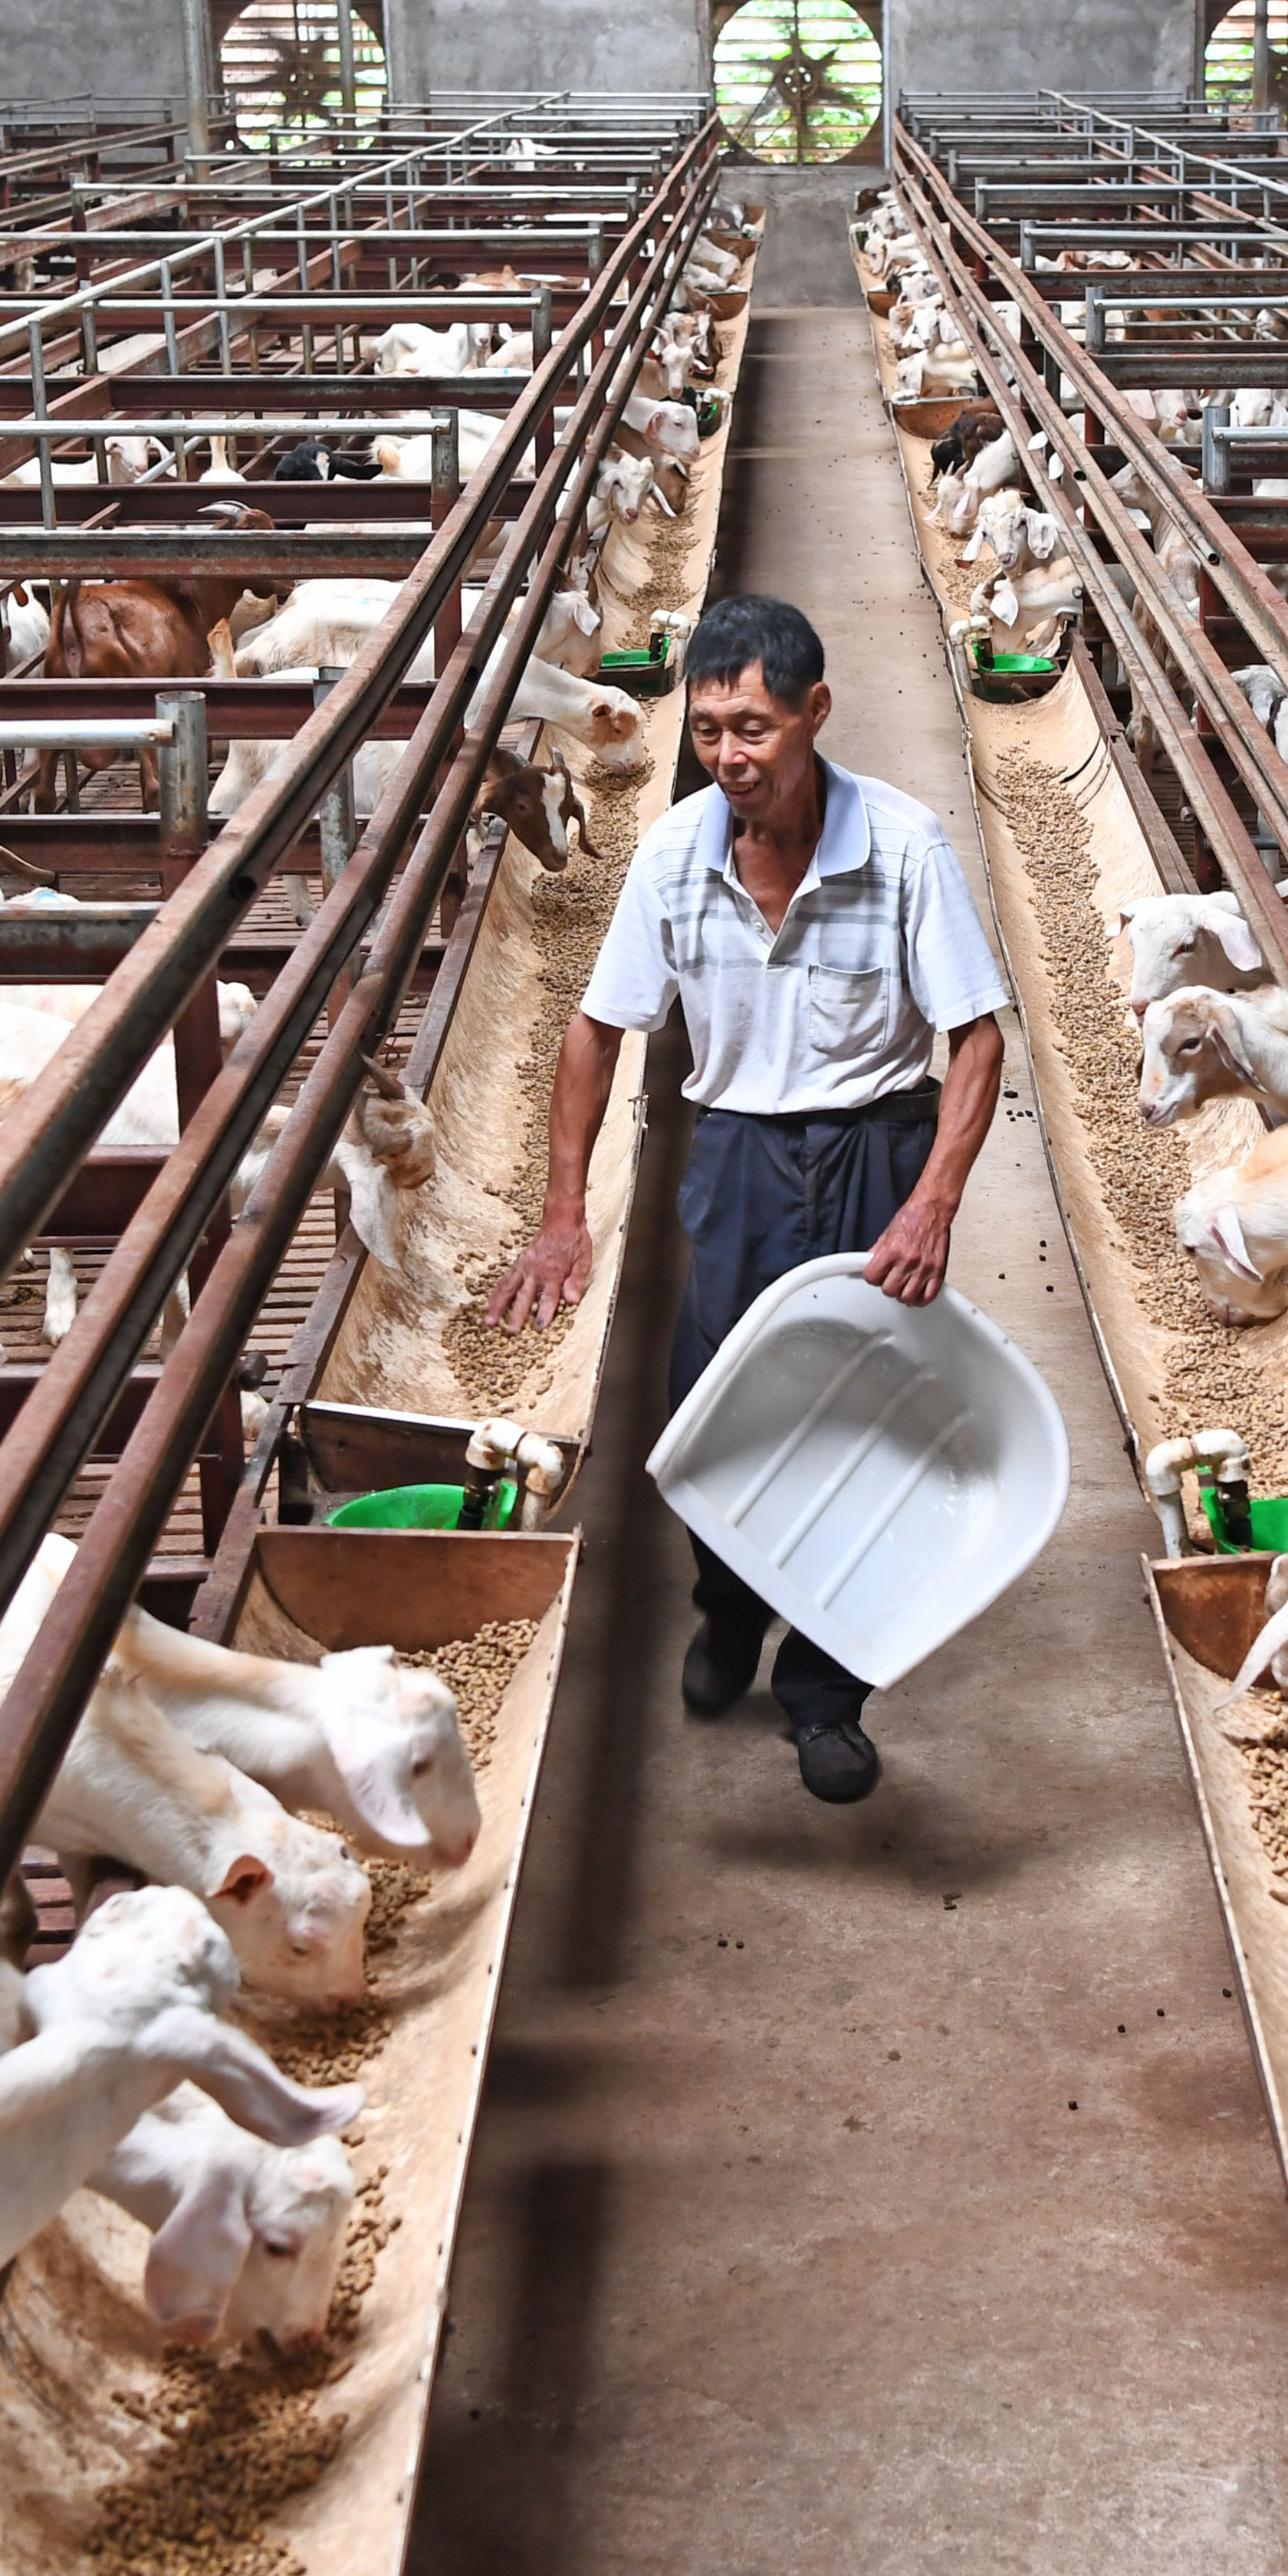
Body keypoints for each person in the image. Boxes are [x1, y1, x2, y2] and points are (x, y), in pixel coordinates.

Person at [487, 593, 1010, 1804]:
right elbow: (595, 1031)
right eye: (713, 727)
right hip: (733, 1158)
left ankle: (824, 1694)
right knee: (715, 1418)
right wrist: (561, 1218)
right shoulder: (675, 852)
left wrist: (929, 1203)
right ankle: (729, 1608)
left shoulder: (903, 845)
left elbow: (975, 1039)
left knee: (866, 1420)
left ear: (814, 714)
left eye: (756, 728)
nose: (730, 753)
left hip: (879, 1149)